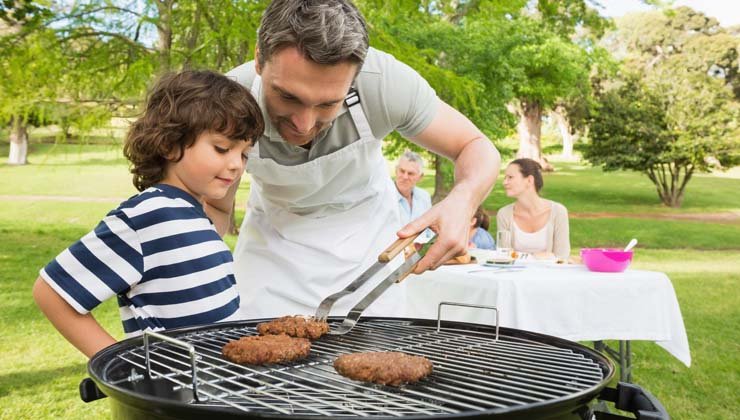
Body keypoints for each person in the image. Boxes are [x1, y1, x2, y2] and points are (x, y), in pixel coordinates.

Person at [209, 0, 500, 319]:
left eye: (327, 104)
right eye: (288, 97)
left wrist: (464, 200)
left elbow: (475, 145)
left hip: (368, 252)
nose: (304, 124)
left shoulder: (384, 82)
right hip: (271, 249)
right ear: (258, 61)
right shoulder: (229, 100)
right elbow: (217, 206)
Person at [31, 70, 265, 357]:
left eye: (244, 154)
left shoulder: (194, 215)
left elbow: (220, 214)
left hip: (213, 391)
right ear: (169, 144)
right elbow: (52, 292)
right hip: (172, 396)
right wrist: (119, 364)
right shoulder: (148, 216)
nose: (236, 165)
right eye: (222, 148)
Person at [496, 158, 570, 259]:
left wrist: (521, 257)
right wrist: (535, 257)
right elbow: (504, 256)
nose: (504, 182)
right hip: (515, 274)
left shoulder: (558, 212)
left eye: (510, 177)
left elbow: (562, 257)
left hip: (550, 274)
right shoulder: (504, 214)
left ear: (529, 180)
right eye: (505, 178)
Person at [394, 151, 433, 241]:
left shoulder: (424, 197)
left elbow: (429, 231)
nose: (405, 177)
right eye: (402, 171)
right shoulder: (385, 198)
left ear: (420, 177)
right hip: (392, 252)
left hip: (419, 251)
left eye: (410, 173)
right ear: (396, 170)